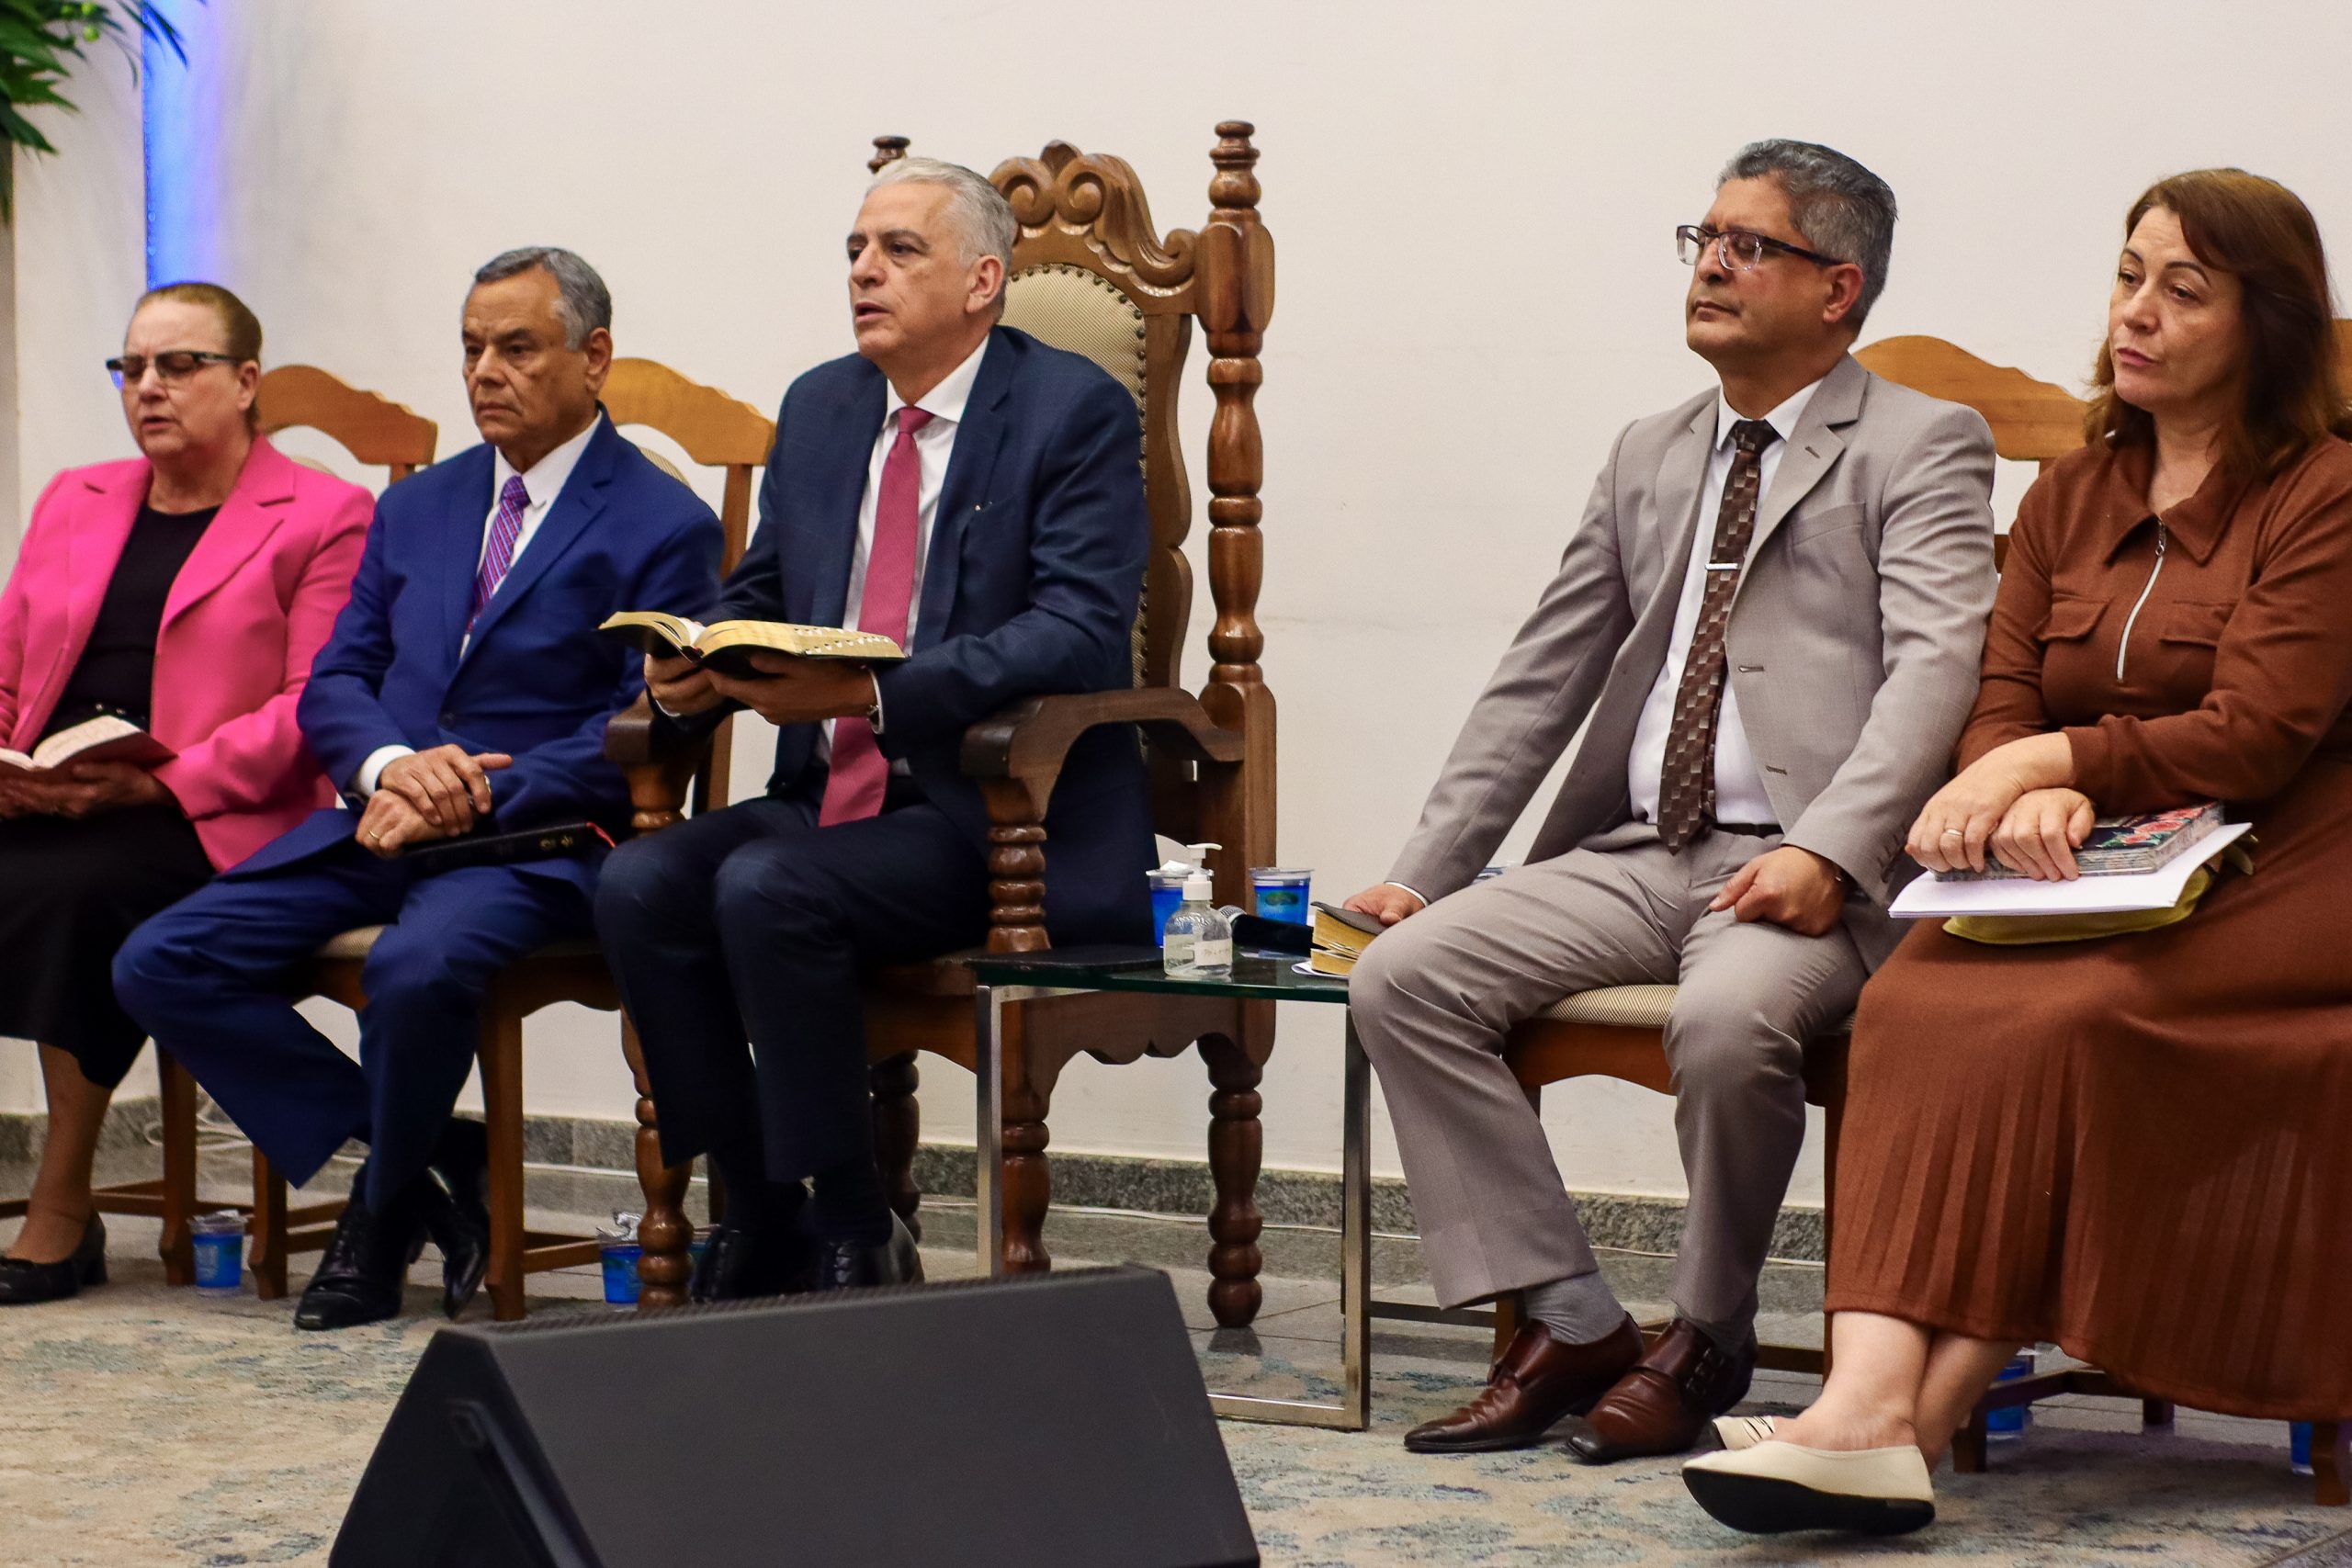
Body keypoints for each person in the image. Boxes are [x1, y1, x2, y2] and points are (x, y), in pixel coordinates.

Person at [1685, 170, 2352, 1536]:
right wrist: (2004, 772)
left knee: (2069, 1015)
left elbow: (2257, 732)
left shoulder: (2328, 492)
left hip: (2292, 853)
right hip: (2095, 856)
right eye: (2128, 275)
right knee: (1915, 999)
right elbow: (2001, 689)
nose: (2136, 312)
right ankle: (1867, 1409)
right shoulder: (2074, 489)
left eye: (2184, 289)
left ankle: (1887, 1429)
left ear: (2267, 322)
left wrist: (2054, 765)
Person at [1341, 140, 1998, 1464]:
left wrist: (1833, 851)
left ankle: (1705, 1334)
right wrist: (1424, 868)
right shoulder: (1649, 451)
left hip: (1804, 869)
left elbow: (1937, 671)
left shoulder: (1921, 443)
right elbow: (1543, 673)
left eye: (1749, 245)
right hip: (1641, 851)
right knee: (1403, 976)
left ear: (1837, 287)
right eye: (1703, 238)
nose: (1710, 265)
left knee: (1726, 1020)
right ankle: (1574, 1318)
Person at [113, 248, 723, 1330]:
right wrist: (394, 767)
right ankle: (438, 1160)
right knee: (161, 960)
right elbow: (336, 681)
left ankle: (381, 1211)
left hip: (535, 841)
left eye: (517, 348)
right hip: (387, 818)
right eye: (472, 348)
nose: (485, 371)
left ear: (593, 358)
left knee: (414, 969)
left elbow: (647, 721)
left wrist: (473, 791)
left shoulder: (661, 521)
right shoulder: (418, 506)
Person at [596, 157, 1153, 1301]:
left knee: (766, 888)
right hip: (826, 793)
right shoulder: (822, 406)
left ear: (983, 281)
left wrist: (873, 697)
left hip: (984, 809)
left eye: (900, 250)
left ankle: (857, 1222)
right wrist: (699, 664)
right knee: (639, 884)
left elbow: (1080, 630)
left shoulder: (1070, 410)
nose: (864, 271)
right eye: (855, 249)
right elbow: (765, 587)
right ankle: (762, 1209)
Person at [0, 284, 371, 1304]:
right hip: (60, 793)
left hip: (216, 814)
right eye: (131, 368)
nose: (148, 387)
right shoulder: (75, 497)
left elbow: (314, 706)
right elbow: (9, 676)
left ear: (245, 382)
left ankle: (61, 1204)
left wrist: (158, 780)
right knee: (54, 864)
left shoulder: (326, 514)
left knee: (78, 889)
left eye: (177, 365)